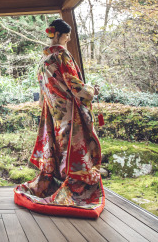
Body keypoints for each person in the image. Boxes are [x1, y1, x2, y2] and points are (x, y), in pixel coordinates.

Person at [13, 18, 105, 218]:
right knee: (72, 147)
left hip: (53, 110)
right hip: (69, 110)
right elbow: (75, 85)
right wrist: (92, 91)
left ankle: (57, 179)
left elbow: (43, 88)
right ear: (58, 35)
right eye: (67, 35)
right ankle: (72, 183)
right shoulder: (62, 56)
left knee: (58, 146)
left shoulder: (44, 60)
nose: (69, 39)